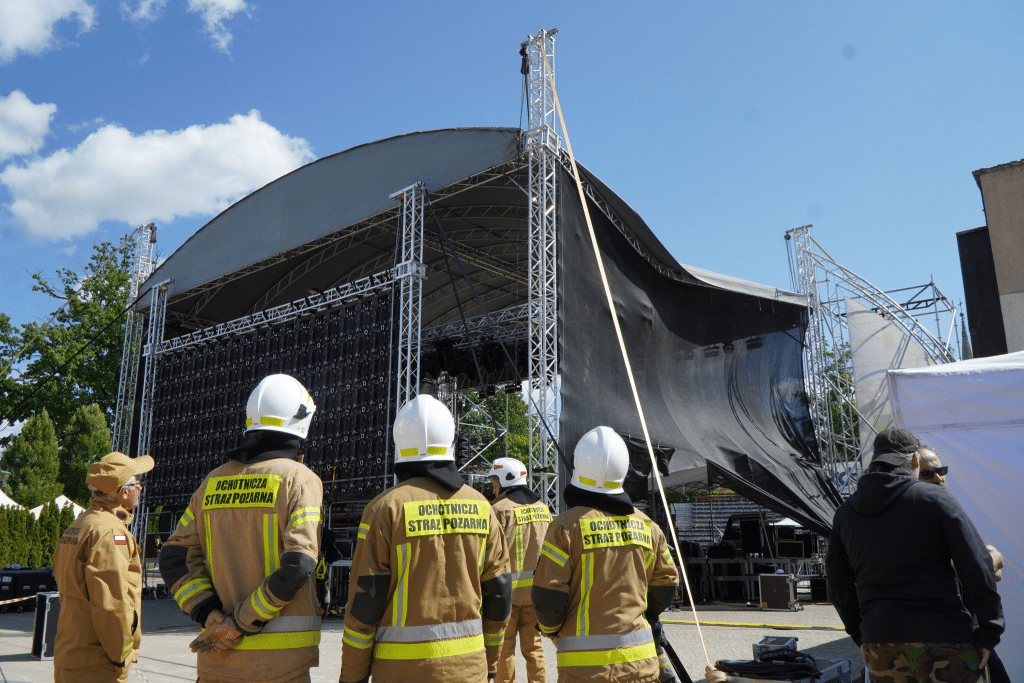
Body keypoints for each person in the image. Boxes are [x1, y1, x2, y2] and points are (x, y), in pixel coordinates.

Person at [159, 373, 324, 683]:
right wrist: (240, 622)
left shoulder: (212, 482)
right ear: (302, 421)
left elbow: (173, 558)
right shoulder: (299, 480)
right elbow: (299, 564)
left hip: (217, 665)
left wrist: (209, 615)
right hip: (281, 669)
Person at [340, 394, 512, 683]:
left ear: (401, 445)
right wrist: (489, 661)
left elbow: (365, 604)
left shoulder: (384, 509)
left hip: (400, 672)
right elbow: (500, 594)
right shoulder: (483, 507)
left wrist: (353, 676)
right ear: (450, 443)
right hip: (470, 670)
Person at [827, 428, 1004, 683]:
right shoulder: (935, 500)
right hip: (945, 639)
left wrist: (861, 637)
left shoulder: (845, 514)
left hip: (881, 645)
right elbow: (977, 568)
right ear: (914, 461)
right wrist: (989, 634)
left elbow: (837, 586)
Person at [532, 426, 680, 683]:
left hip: (585, 671)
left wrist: (553, 631)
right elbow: (667, 585)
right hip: (642, 667)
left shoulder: (565, 527)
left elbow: (549, 601)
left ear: (579, 466)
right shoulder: (648, 526)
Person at [52, 451, 155, 683]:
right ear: (123, 491)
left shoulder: (80, 524)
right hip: (97, 663)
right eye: (138, 483)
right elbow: (111, 604)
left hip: (72, 651)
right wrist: (122, 657)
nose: (141, 488)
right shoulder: (110, 531)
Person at [918, 445, 1009, 683]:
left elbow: (980, 564)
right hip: (946, 638)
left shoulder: (947, 509)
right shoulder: (918, 516)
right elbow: (967, 567)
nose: (938, 478)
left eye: (941, 470)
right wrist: (986, 563)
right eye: (928, 474)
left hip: (968, 629)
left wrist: (985, 561)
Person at [487, 457, 551, 683]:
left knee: (504, 651)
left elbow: (489, 555)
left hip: (507, 598)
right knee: (534, 648)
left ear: (506, 480)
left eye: (495, 482)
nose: (493, 487)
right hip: (535, 597)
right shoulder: (544, 510)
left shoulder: (499, 510)